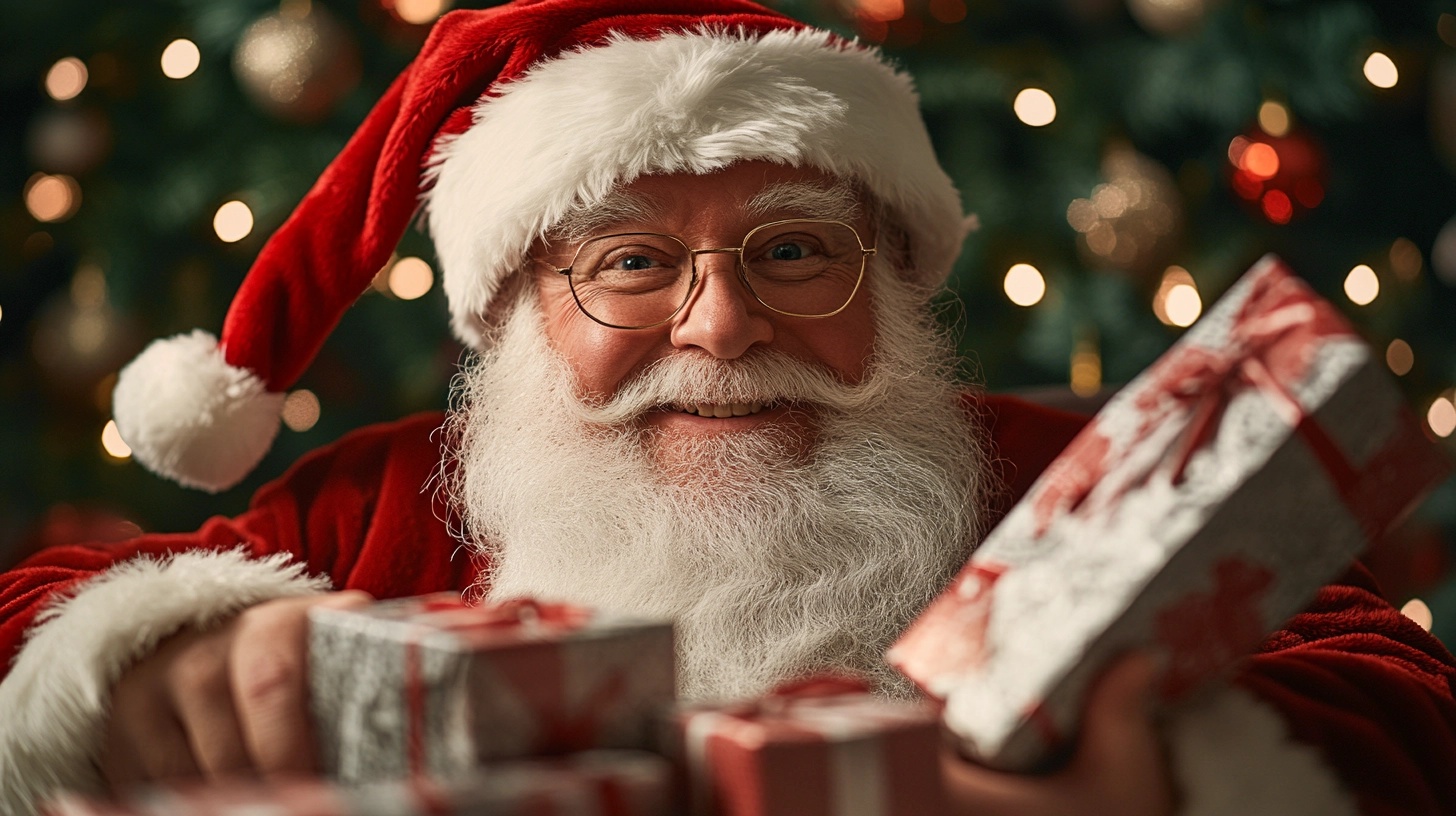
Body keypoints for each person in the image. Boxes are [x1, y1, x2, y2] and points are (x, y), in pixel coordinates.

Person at [1, 1, 1452, 814]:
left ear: (892, 277)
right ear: (512, 318)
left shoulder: (1055, 473)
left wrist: (1174, 783)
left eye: (798, 250)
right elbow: (38, 608)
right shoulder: (377, 507)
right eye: (629, 265)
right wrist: (144, 664)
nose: (722, 323)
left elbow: (1395, 695)